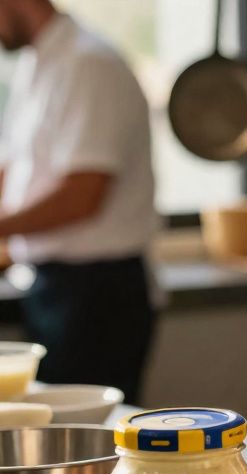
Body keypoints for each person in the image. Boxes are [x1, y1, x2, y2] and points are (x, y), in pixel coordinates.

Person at [0, 0, 156, 403]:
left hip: (97, 295)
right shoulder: (37, 64)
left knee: (88, 443)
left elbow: (83, 194)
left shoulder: (88, 65)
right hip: (53, 285)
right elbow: (16, 168)